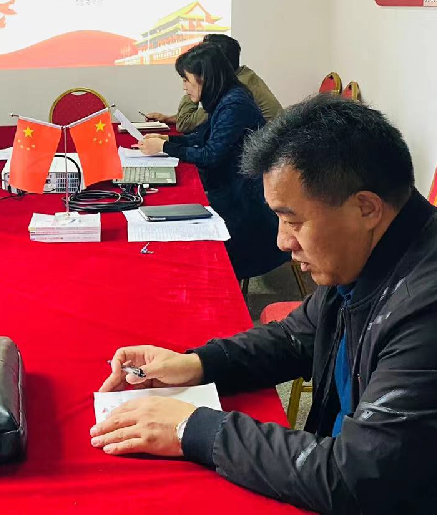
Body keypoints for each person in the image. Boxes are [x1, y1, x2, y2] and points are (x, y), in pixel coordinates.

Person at [93, 96, 437, 513]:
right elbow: (295, 337)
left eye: (293, 221)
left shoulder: (424, 310)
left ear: (365, 208)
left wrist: (190, 428)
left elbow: (356, 478)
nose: (282, 241)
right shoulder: (367, 253)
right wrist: (197, 364)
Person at [137, 43, 288, 280]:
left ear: (204, 78)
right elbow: (202, 136)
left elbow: (210, 155)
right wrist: (168, 138)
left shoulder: (234, 104)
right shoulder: (226, 97)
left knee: (189, 230)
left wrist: (165, 147)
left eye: (186, 79)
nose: (184, 87)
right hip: (234, 188)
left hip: (247, 202)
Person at [145, 34, 282, 133]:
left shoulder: (234, 89)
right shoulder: (241, 76)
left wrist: (193, 83)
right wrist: (168, 119)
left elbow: (185, 124)